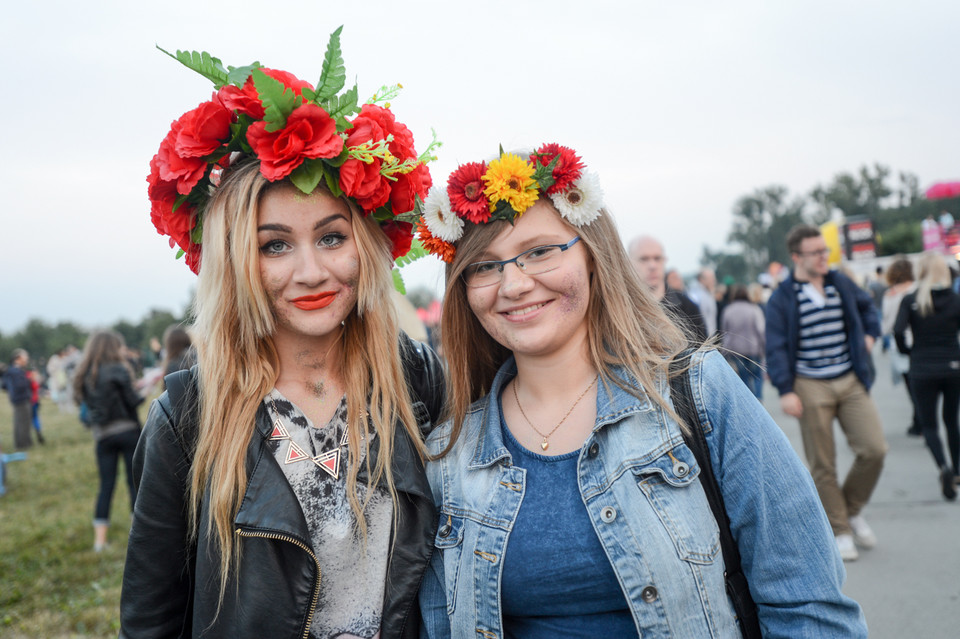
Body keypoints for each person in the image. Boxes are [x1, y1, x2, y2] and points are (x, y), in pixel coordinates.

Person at [415, 145, 866, 637]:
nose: (514, 283)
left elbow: (809, 606)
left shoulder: (698, 391)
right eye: (484, 265)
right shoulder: (449, 451)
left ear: (592, 256)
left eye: (540, 251)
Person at [120, 34, 445, 638]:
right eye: (275, 245)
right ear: (237, 262)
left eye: (331, 237)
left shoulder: (421, 380)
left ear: (366, 246)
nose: (312, 272)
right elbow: (150, 618)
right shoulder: (188, 416)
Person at [765, 224, 887, 562]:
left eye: (825, 250)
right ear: (796, 257)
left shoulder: (839, 282)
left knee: (874, 449)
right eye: (817, 252)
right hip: (809, 383)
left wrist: (871, 336)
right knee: (824, 464)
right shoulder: (782, 298)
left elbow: (868, 308)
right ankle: (840, 529)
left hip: (850, 379)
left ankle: (850, 509)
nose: (825, 257)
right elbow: (774, 347)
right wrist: (786, 390)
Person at [894, 252, 960, 500]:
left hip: (921, 367)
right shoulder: (955, 299)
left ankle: (942, 466)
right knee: (952, 421)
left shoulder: (911, 300)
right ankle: (956, 470)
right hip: (953, 366)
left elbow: (898, 332)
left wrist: (909, 352)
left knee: (929, 424)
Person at [73, 331, 144, 551]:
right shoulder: (119, 369)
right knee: (134, 484)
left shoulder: (86, 374)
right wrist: (146, 388)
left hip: (103, 436)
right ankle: (139, 537)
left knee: (106, 485)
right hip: (128, 431)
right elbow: (133, 401)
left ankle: (99, 541)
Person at [628, 235, 707, 342]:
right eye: (644, 259)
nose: (652, 265)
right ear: (629, 263)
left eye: (657, 258)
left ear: (664, 261)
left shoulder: (688, 307)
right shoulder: (621, 308)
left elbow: (704, 353)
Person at [881, 257, 920, 436]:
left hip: (901, 345)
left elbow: (887, 326)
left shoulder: (892, 295)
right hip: (922, 342)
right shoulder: (919, 289)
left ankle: (919, 421)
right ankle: (919, 419)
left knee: (911, 386)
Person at [720, 284, 765, 400]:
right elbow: (760, 330)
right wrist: (764, 347)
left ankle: (749, 400)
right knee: (757, 375)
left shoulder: (728, 310)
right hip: (753, 347)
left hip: (736, 349)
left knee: (743, 377)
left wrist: (725, 350)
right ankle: (758, 397)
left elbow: (725, 331)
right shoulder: (754, 309)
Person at [2, 350, 34, 450]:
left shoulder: (12, 371)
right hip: (21, 399)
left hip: (17, 399)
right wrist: (29, 380)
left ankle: (21, 444)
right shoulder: (16, 371)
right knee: (23, 424)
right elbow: (20, 385)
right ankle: (24, 445)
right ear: (18, 358)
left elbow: (4, 385)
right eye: (25, 357)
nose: (27, 359)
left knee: (19, 423)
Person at [688, 267, 719, 337]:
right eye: (711, 278)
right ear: (702, 279)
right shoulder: (695, 294)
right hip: (702, 336)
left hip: (709, 335)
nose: (714, 281)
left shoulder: (707, 293)